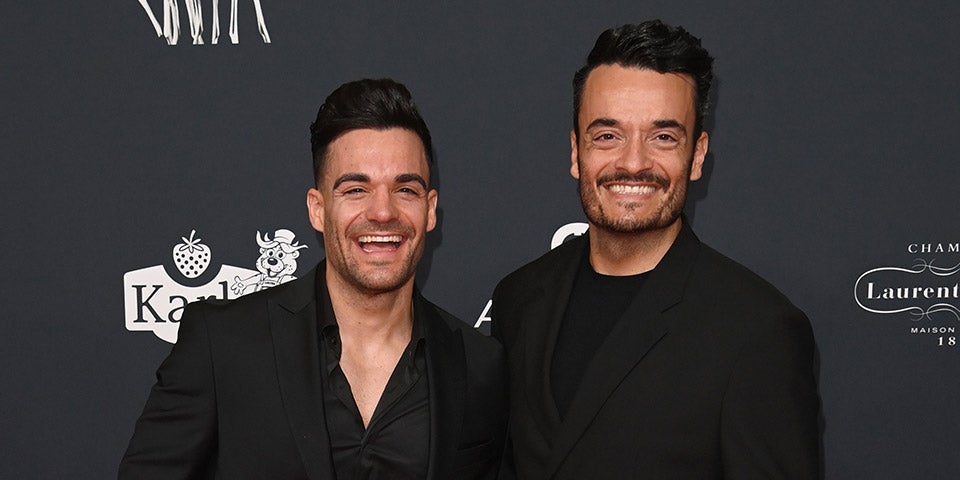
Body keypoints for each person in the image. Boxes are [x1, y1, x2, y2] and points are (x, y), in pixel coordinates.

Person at [120, 78, 508, 480]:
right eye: (355, 190)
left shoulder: (479, 364)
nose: (382, 212)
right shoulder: (222, 344)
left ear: (430, 210)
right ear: (317, 209)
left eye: (405, 189)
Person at [492, 21, 821, 479]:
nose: (633, 163)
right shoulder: (519, 298)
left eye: (663, 137)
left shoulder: (758, 331)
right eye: (607, 136)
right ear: (575, 151)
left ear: (697, 155)